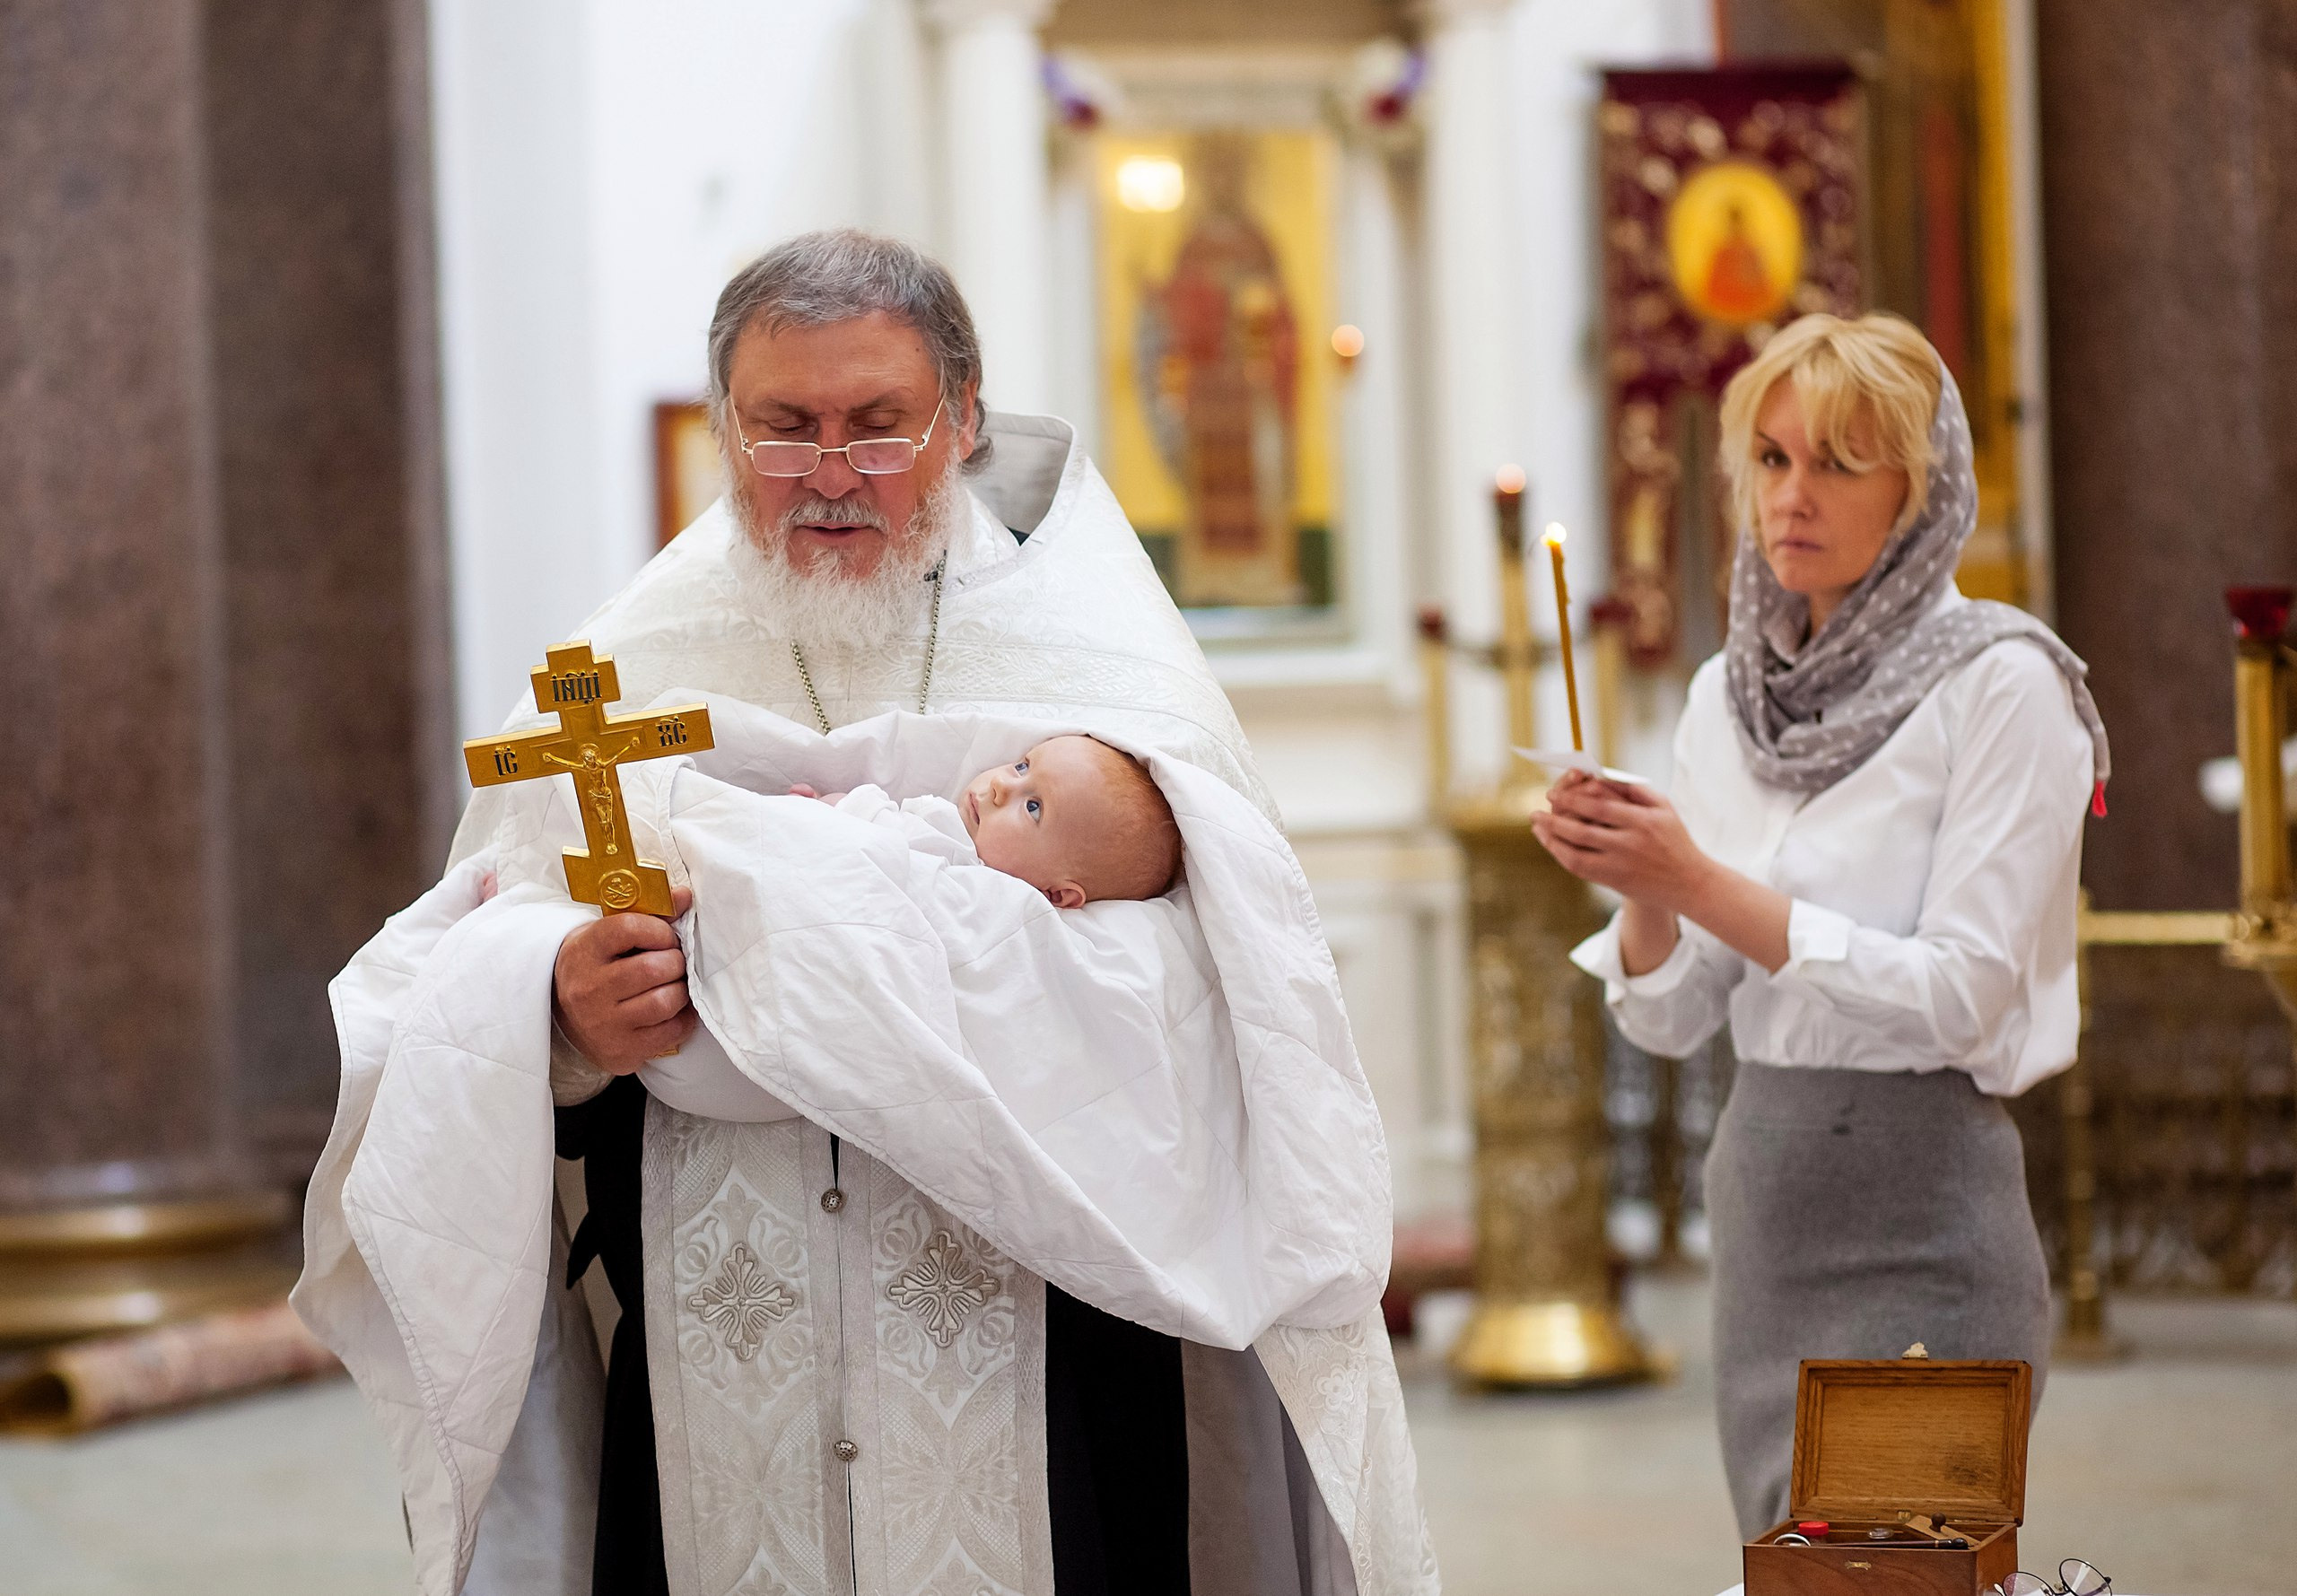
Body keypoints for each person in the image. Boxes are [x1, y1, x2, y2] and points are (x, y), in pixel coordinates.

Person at [296, 229, 1435, 1596]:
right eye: (785, 428)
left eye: (877, 427)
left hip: (1043, 1331)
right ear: (726, 428)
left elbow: (1235, 990)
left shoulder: (1101, 651)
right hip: (725, 1322)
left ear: (959, 422)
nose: (831, 473)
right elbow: (470, 945)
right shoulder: (638, 652)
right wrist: (557, 1002)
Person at [1532, 311, 2109, 1538]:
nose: (1792, 496)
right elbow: (1676, 1014)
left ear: (1924, 487)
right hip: (1765, 1216)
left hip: (1926, 1212)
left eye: (1841, 461)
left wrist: (1702, 882)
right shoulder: (1724, 695)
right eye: (1773, 458)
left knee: (1894, 1574)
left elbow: (1965, 994)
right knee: (1787, 1570)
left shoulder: (2004, 682)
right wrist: (1640, 872)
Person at [792, 732, 1183, 910]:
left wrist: (831, 807)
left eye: (1033, 807)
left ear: (1057, 895)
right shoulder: (956, 838)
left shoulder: (955, 855)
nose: (999, 785)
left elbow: (879, 835)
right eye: (1022, 766)